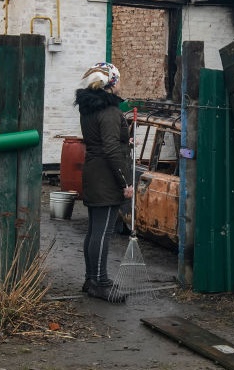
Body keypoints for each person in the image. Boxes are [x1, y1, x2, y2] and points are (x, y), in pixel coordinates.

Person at [73, 62, 134, 303]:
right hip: (106, 177)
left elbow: (102, 142)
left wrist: (122, 142)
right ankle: (101, 282)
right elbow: (110, 148)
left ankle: (91, 279)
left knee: (94, 230)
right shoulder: (110, 112)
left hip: (93, 171)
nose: (120, 84)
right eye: (117, 80)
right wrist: (125, 182)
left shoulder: (89, 109)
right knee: (103, 231)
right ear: (110, 84)